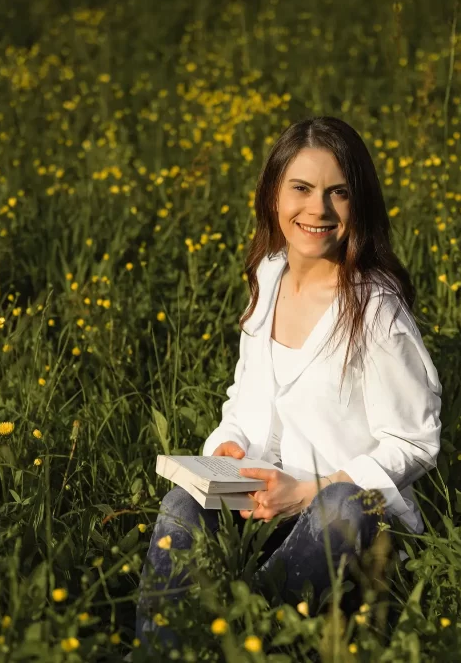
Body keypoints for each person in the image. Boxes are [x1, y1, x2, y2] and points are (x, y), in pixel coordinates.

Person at [134, 116, 443, 654]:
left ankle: (254, 635)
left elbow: (415, 443)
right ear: (274, 195)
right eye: (301, 188)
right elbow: (244, 399)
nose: (317, 209)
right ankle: (160, 651)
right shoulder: (268, 275)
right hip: (262, 500)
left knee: (345, 508)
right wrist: (227, 448)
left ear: (359, 204)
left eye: (338, 193)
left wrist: (304, 493)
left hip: (339, 514)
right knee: (180, 506)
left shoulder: (376, 311)